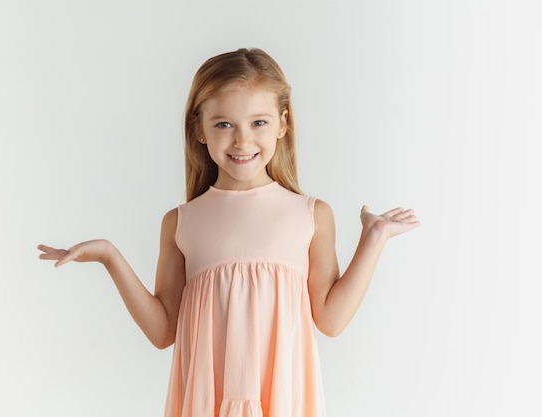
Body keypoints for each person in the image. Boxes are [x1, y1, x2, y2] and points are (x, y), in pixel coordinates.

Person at [38, 48, 419, 417]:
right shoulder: (181, 221)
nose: (242, 140)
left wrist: (374, 238)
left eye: (259, 122)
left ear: (283, 123)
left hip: (281, 401)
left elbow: (331, 320)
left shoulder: (310, 215)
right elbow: (162, 331)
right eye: (223, 124)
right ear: (199, 129)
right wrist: (109, 255)